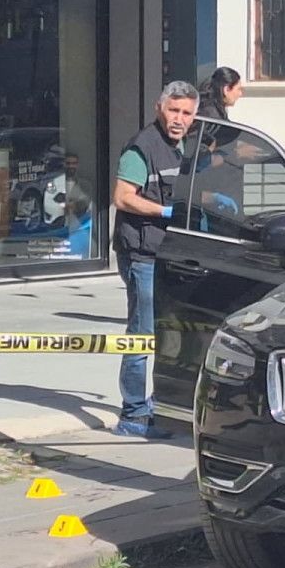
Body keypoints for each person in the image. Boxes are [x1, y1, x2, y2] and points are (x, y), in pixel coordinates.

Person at [110, 81, 198, 439]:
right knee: (142, 333)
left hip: (169, 254)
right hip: (141, 253)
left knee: (169, 332)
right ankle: (132, 414)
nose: (179, 119)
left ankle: (159, 404)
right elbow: (122, 197)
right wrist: (165, 211)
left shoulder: (185, 148)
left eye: (186, 113)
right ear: (158, 108)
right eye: (173, 110)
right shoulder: (142, 147)